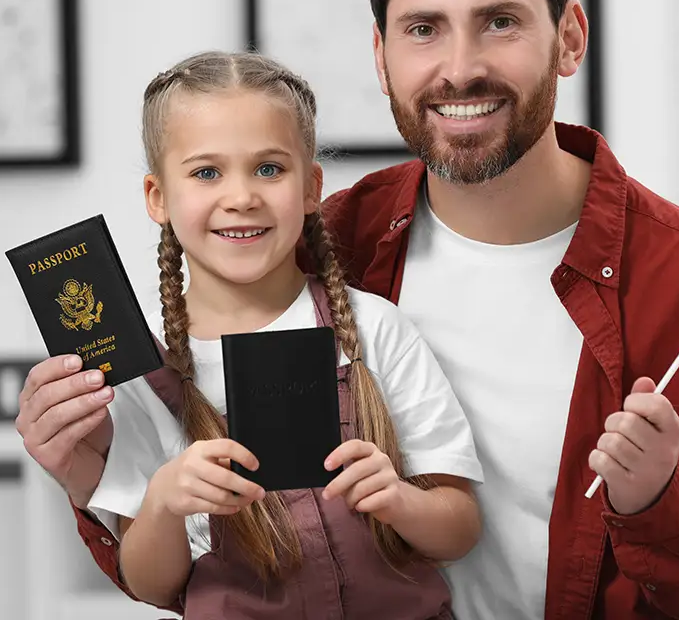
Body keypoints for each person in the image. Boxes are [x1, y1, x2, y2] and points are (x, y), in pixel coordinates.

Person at [16, 0, 679, 620]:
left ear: (571, 38)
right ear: (380, 57)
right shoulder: (321, 246)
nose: (460, 66)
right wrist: (90, 473)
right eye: (422, 30)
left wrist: (665, 505)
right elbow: (206, 565)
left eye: (500, 22)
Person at [57, 50, 483, 617]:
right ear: (158, 198)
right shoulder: (140, 369)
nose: (242, 197)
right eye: (207, 172)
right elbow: (152, 583)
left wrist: (399, 501)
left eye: (269, 168)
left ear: (311, 188)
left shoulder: (375, 328)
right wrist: (162, 503)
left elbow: (460, 528)